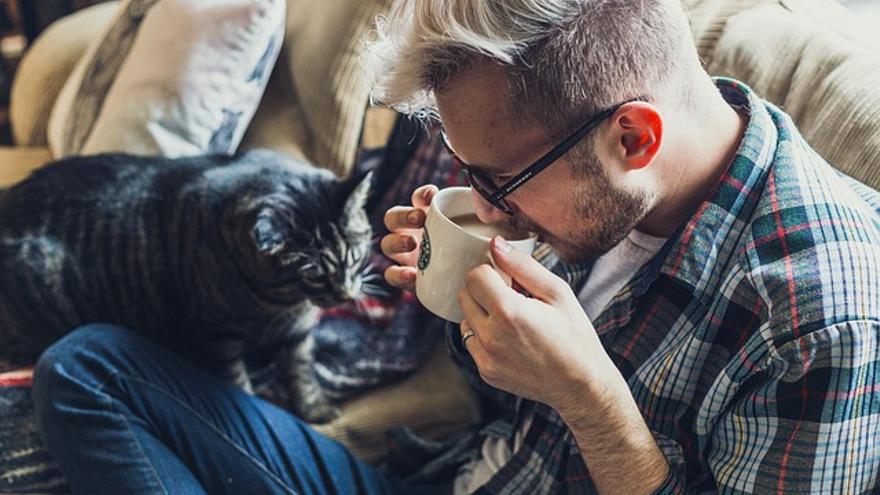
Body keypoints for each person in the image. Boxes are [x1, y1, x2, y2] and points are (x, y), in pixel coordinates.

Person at [32, 0, 880, 494]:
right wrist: (455, 298)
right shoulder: (600, 191)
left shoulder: (820, 320)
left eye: (500, 181)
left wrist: (595, 406)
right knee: (87, 367)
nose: (490, 207)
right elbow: (500, 404)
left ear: (633, 136)